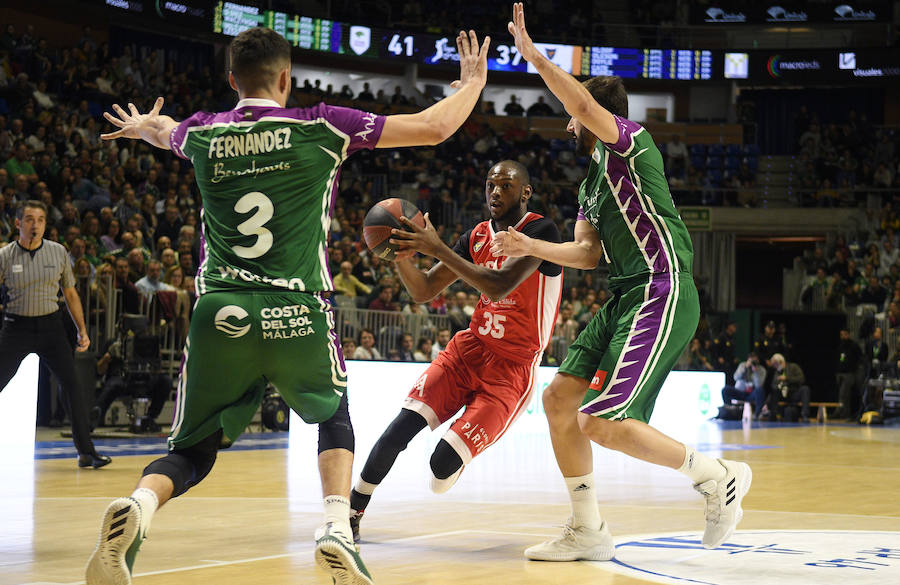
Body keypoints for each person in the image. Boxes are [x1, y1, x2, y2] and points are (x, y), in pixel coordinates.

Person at [86, 25, 492, 585]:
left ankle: (139, 506)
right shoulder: (321, 126)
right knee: (333, 419)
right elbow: (435, 125)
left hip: (219, 311)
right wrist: (472, 83)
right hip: (296, 310)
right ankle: (335, 529)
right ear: (286, 78)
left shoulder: (202, 133)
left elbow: (165, 131)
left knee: (196, 451)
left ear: (232, 80)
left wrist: (140, 126)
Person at [489, 4, 751, 561]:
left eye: (574, 112)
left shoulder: (630, 143)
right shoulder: (590, 183)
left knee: (602, 421)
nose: (567, 121)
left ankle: (716, 475)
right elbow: (586, 253)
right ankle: (588, 531)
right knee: (559, 400)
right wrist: (531, 246)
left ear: (595, 114)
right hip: (624, 294)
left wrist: (535, 56)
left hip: (662, 287)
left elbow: (581, 102)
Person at [349, 160, 562, 542]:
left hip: (511, 370)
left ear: (525, 192)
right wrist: (400, 253)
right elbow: (422, 291)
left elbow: (498, 286)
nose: (495, 192)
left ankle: (456, 458)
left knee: (440, 466)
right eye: (490, 185)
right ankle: (352, 510)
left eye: (506, 186)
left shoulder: (540, 231)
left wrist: (437, 246)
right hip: (468, 349)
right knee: (399, 429)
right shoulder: (476, 236)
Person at [0, 200, 110, 468]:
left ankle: (86, 452)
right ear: (18, 224)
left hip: (51, 327)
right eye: (28, 219)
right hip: (17, 327)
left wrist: (82, 330)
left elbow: (70, 293)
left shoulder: (58, 252)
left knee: (72, 386)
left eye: (39, 219)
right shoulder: (4, 256)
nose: (34, 224)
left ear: (45, 224)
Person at [764, 353, 810, 422]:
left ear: (781, 362)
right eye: (773, 365)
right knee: (775, 390)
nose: (774, 366)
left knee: (805, 389)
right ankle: (772, 415)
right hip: (781, 394)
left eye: (775, 364)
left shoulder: (793, 367)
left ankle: (805, 415)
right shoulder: (776, 372)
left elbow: (801, 379)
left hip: (793, 392)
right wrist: (766, 403)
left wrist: (787, 378)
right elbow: (773, 387)